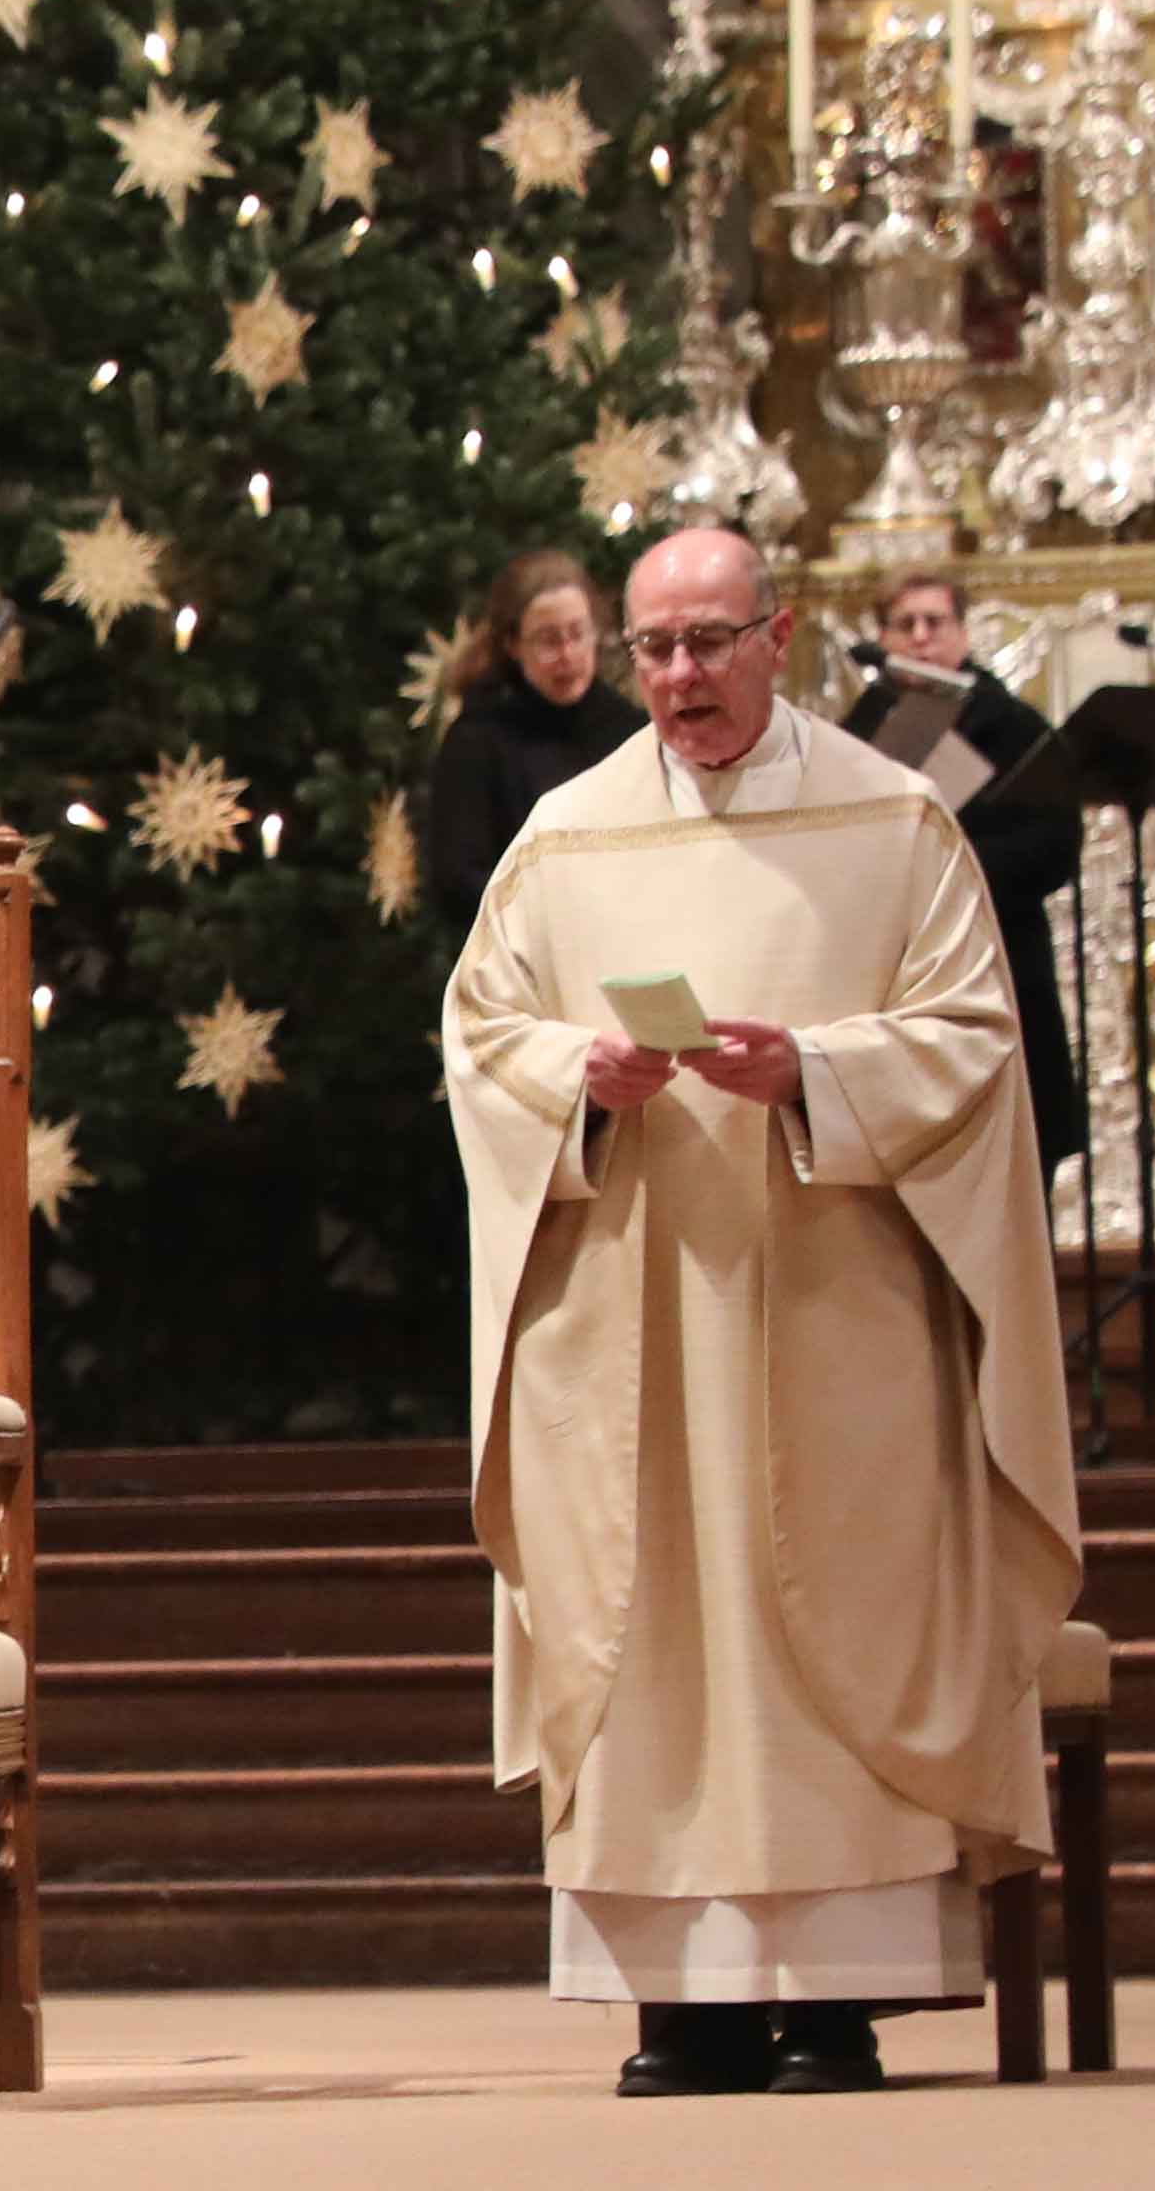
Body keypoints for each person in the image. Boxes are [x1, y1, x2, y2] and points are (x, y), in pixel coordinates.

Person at [442, 521, 1083, 2098]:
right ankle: (682, 2006)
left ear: (775, 638)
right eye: (655, 648)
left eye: (708, 643)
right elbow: (481, 1037)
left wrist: (819, 1072)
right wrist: (572, 1078)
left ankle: (834, 2000)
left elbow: (975, 1042)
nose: (676, 677)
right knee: (651, 1623)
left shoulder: (894, 818)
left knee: (835, 1606)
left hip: (837, 1305)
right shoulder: (564, 837)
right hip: (631, 1318)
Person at [853, 564, 1092, 1177]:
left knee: (1014, 1166)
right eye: (904, 624)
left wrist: (948, 868)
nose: (922, 637)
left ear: (963, 632)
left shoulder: (1014, 728)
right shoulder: (862, 728)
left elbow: (1054, 847)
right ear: (882, 637)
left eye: (936, 621)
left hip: (999, 961)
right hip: (893, 977)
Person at [410, 549, 640, 925]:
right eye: (548, 641)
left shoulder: (627, 728)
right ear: (513, 645)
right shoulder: (477, 741)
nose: (567, 655)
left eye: (577, 634)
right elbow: (458, 882)